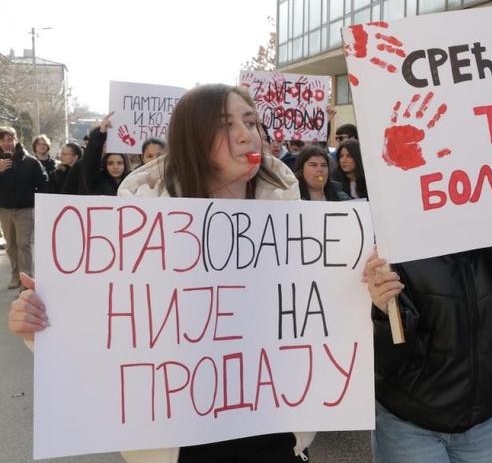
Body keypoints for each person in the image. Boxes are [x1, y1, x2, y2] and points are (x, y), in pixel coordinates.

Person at [8, 84, 315, 462]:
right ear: (193, 141)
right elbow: (108, 325)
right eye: (225, 125)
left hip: (274, 433)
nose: (244, 134)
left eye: (250, 122)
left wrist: (369, 291)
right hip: (182, 440)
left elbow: (320, 315)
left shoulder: (296, 222)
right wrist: (40, 323)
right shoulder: (139, 228)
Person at [363, 237, 492, 462]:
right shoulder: (393, 234)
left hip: (481, 424)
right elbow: (381, 362)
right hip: (410, 427)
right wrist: (385, 315)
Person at [0, 126, 47, 289]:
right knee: (11, 245)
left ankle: (26, 280)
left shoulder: (30, 161)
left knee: (23, 244)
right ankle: (15, 276)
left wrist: (36, 203)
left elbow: (43, 183)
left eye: (9, 139)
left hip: (25, 210)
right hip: (4, 210)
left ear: (16, 140)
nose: (7, 143)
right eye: (3, 140)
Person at [79, 113, 130, 196]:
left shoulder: (133, 182)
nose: (115, 167)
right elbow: (90, 161)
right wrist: (100, 133)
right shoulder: (96, 181)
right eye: (110, 163)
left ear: (126, 164)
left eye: (120, 163)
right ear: (105, 165)